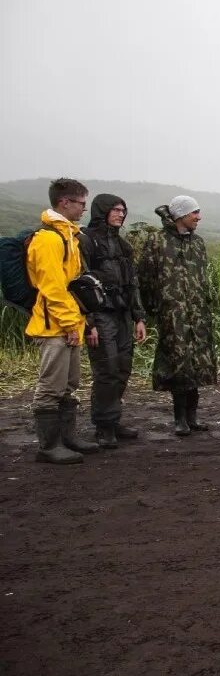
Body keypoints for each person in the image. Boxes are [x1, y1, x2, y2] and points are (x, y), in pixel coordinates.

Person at [26, 178, 94, 463]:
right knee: (50, 386)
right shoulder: (49, 239)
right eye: (80, 204)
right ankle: (49, 446)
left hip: (70, 324)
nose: (84, 209)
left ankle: (67, 437)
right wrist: (68, 325)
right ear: (64, 202)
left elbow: (72, 285)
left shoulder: (68, 236)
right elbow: (52, 288)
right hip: (55, 326)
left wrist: (79, 324)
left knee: (69, 385)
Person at [138, 197, 219, 436]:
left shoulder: (198, 243)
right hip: (172, 314)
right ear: (181, 215)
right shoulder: (157, 240)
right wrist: (154, 309)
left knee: (197, 364)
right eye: (194, 212)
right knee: (178, 363)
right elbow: (145, 277)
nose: (198, 217)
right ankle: (179, 418)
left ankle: (193, 417)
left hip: (198, 315)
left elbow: (203, 279)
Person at [78, 193, 147, 446]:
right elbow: (80, 284)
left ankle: (113, 420)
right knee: (106, 370)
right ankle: (103, 426)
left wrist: (139, 318)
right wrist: (90, 322)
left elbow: (133, 284)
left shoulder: (123, 245)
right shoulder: (86, 242)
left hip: (123, 315)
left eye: (123, 210)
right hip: (101, 315)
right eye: (116, 210)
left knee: (122, 369)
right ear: (102, 211)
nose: (120, 214)